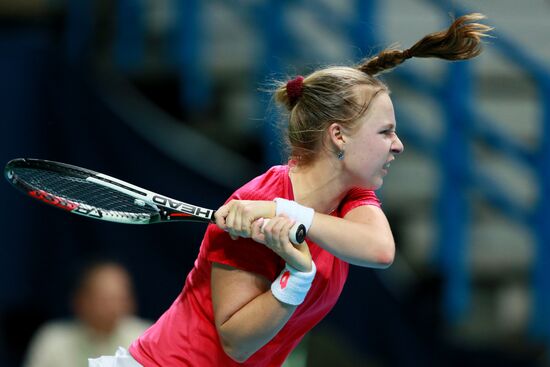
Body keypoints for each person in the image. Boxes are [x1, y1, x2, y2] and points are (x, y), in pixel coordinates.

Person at [89, 13, 492, 367]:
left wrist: (286, 214)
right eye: (385, 132)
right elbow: (237, 344)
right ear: (339, 137)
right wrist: (295, 278)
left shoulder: (349, 198)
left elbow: (380, 251)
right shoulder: (250, 207)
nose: (398, 144)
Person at [23, 261, 151, 367]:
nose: (113, 307)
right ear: (80, 300)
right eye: (105, 299)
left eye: (120, 298)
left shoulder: (145, 337)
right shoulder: (53, 341)